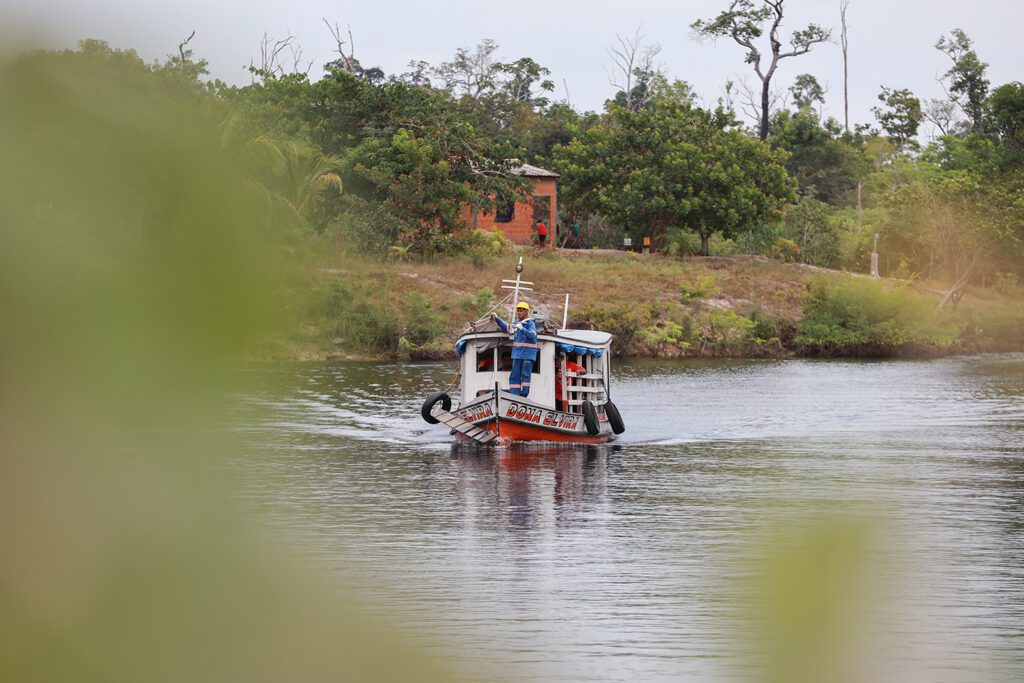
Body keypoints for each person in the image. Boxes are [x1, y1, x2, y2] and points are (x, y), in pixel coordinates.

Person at [491, 301, 537, 397]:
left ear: (526, 312)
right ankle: (514, 396)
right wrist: (497, 319)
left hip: (527, 355)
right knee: (514, 376)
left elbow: (532, 335)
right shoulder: (516, 323)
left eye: (521, 311)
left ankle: (523, 395)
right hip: (517, 354)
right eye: (518, 311)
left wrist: (522, 329)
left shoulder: (530, 323)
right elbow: (506, 328)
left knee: (525, 375)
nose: (519, 313)